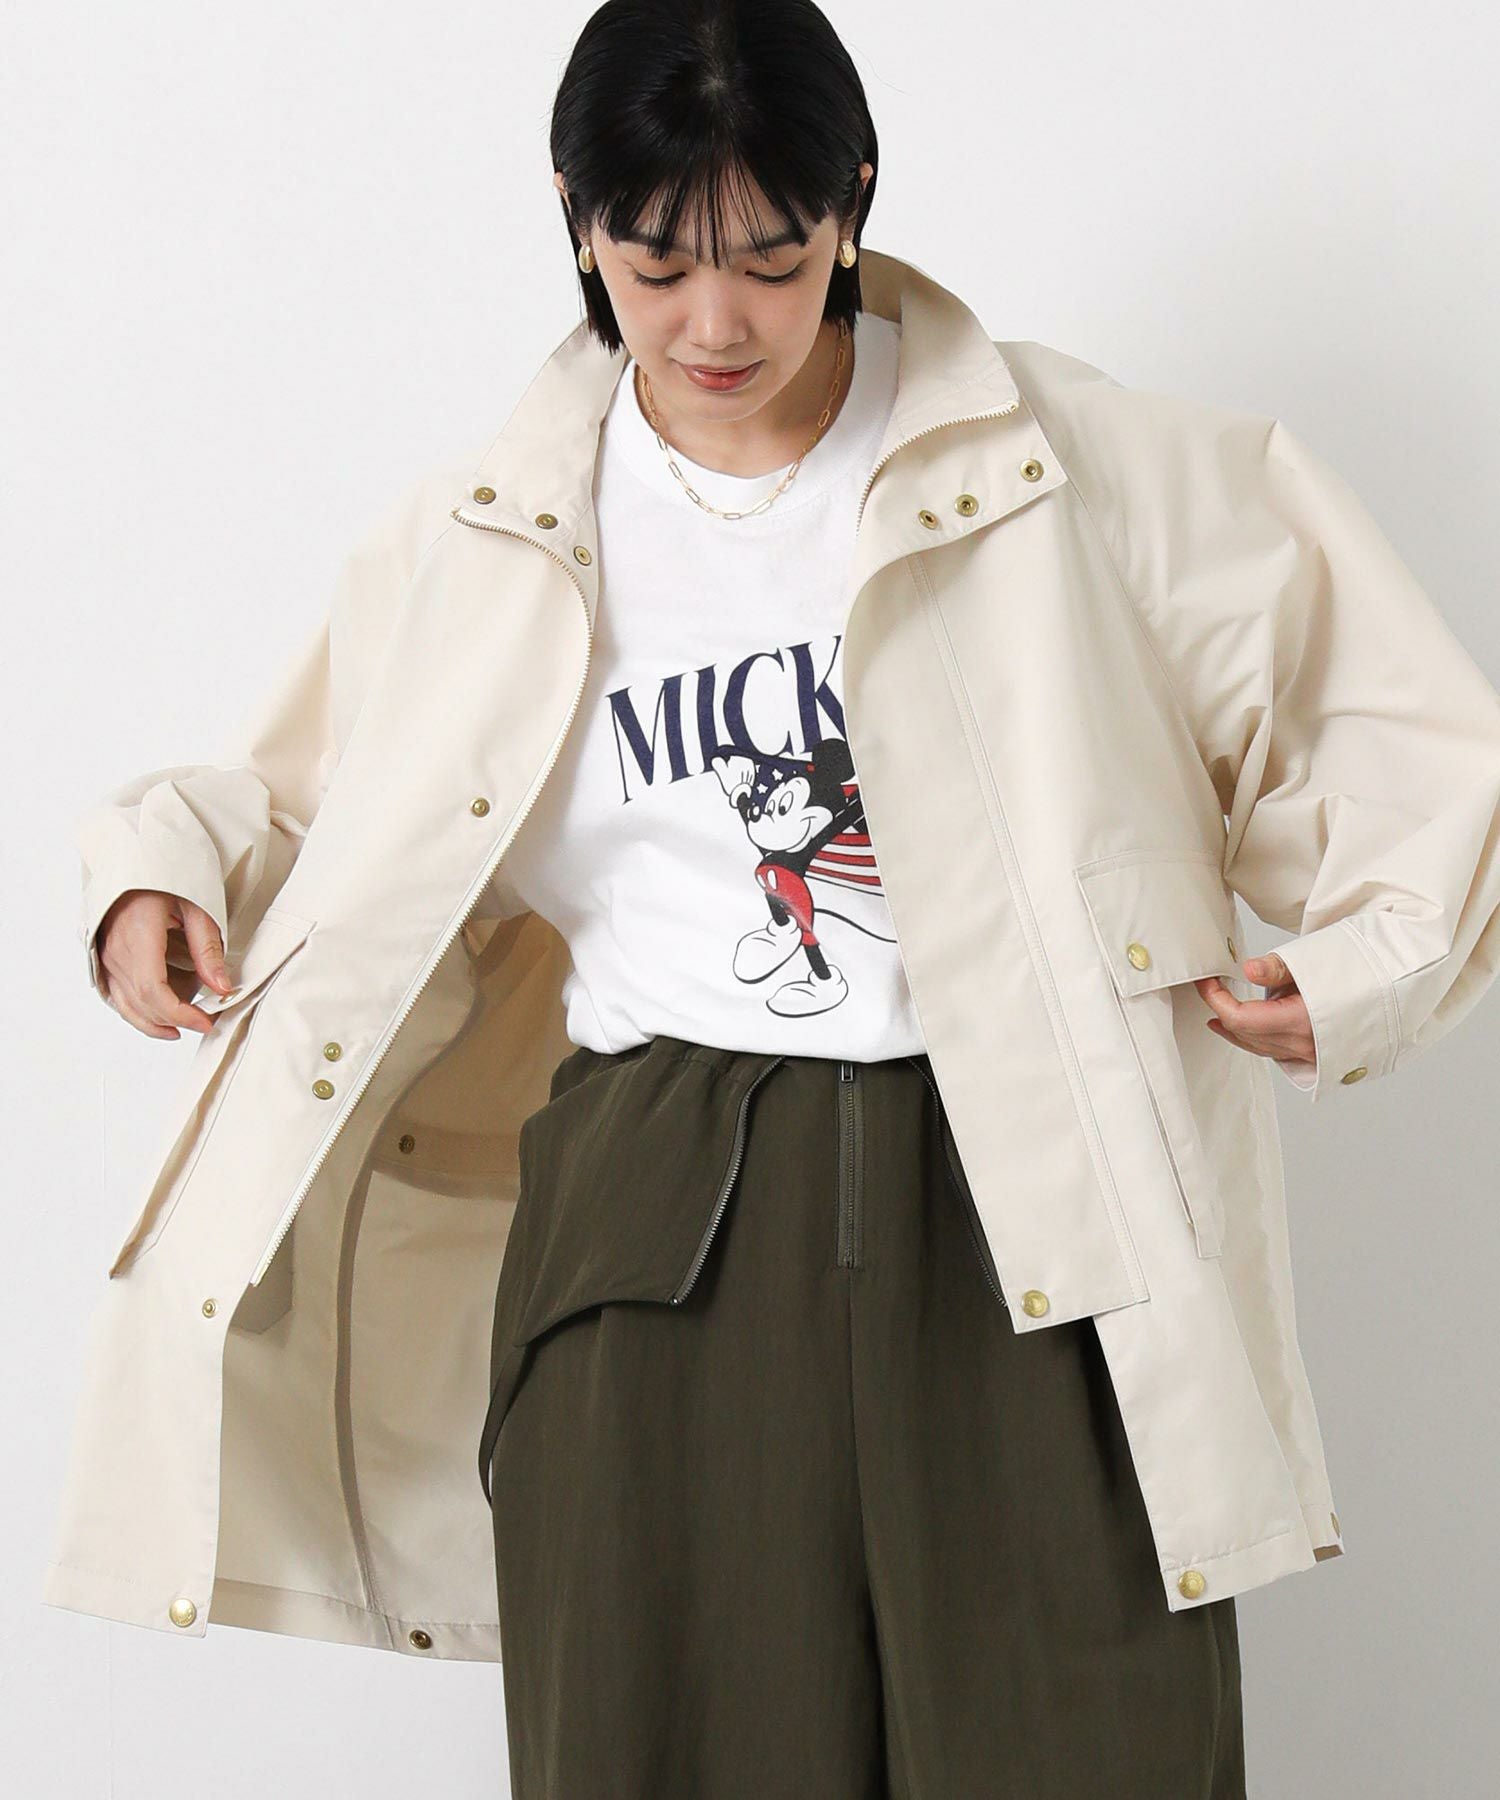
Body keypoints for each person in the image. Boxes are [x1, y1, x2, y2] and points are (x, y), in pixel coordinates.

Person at [53, 3, 1500, 1797]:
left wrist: (1362, 963)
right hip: (655, 1211)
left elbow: (1403, 726)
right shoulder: (496, 527)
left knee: (1086, 1748)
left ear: (854, 202)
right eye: (657, 266)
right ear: (577, 217)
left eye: (772, 257)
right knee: (665, 1749)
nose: (715, 324)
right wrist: (161, 870)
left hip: (1032, 1192)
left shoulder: (1067, 462)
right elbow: (302, 797)